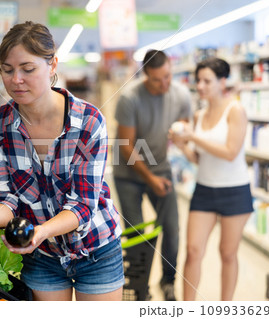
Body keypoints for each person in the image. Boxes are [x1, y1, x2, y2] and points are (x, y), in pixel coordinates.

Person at [0, 21, 124, 301]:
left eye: (28, 69)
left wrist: (40, 231)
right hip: (41, 256)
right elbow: (6, 202)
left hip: (96, 249)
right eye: (7, 70)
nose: (16, 80)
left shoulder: (88, 121)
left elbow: (83, 206)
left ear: (52, 66)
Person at [169, 57, 252, 301]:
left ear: (222, 81)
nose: (201, 86)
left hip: (234, 191)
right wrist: (181, 144)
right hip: (204, 190)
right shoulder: (199, 114)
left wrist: (193, 137)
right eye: (199, 81)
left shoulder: (235, 110)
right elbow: (198, 158)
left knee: (227, 253)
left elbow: (230, 152)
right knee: (193, 251)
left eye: (207, 81)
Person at [113, 50, 192, 301]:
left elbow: (185, 127)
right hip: (128, 174)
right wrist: (151, 179)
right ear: (146, 75)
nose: (165, 84)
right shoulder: (129, 98)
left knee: (171, 228)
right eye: (157, 80)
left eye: (168, 76)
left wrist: (183, 135)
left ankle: (168, 282)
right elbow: (126, 147)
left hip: (162, 168)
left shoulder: (180, 94)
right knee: (137, 233)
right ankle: (139, 288)